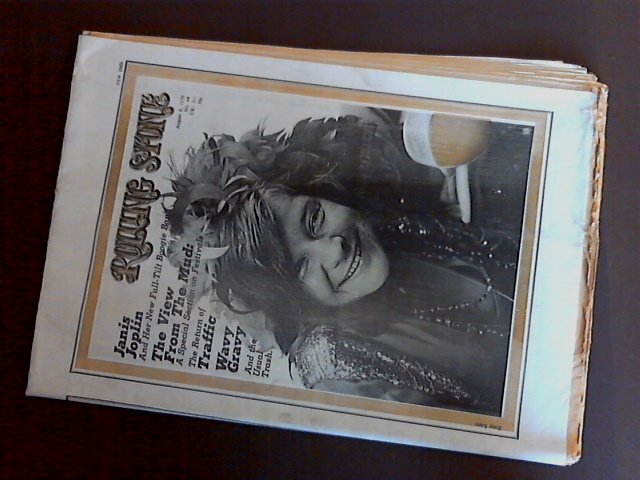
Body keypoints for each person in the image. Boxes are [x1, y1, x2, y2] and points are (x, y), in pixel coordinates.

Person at [164, 110, 522, 415]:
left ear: (323, 192)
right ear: (287, 302)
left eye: (314, 219)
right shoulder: (342, 371)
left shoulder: (376, 226)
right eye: (300, 268)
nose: (333, 250)